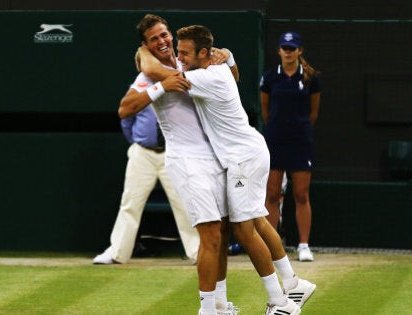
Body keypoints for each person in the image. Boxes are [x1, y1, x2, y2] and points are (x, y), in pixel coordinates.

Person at [139, 24, 316, 315]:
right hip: (248, 154)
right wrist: (230, 56)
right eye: (178, 52)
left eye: (185, 53)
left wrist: (144, 52)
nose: (180, 57)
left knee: (245, 231)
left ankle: (282, 303)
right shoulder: (218, 69)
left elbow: (160, 74)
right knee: (257, 221)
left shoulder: (207, 78)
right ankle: (293, 283)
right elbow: (233, 71)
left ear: (204, 53)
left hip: (243, 159)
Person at [117, 14, 239, 315]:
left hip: (215, 158)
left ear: (172, 35)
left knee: (222, 234)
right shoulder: (150, 75)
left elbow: (232, 79)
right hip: (186, 161)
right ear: (146, 45)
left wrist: (227, 56)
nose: (162, 41)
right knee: (209, 235)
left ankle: (221, 305)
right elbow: (124, 109)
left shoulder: (189, 63)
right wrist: (161, 87)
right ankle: (207, 309)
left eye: (164, 35)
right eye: (153, 39)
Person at [93, 105, 200, 265]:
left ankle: (199, 253)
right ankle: (118, 253)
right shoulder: (139, 87)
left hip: (174, 153)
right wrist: (140, 140)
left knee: (184, 204)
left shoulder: (180, 86)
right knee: (130, 203)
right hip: (142, 153)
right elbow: (127, 118)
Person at [260, 31, 322, 262]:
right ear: (279, 51)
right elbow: (266, 111)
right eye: (284, 48)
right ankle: (271, 246)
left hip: (301, 141)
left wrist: (298, 128)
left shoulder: (311, 78)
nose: (288, 52)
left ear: (299, 50)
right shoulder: (269, 78)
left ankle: (304, 245)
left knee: (301, 193)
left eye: (292, 48)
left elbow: (313, 113)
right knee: (273, 193)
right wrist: (278, 128)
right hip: (275, 140)